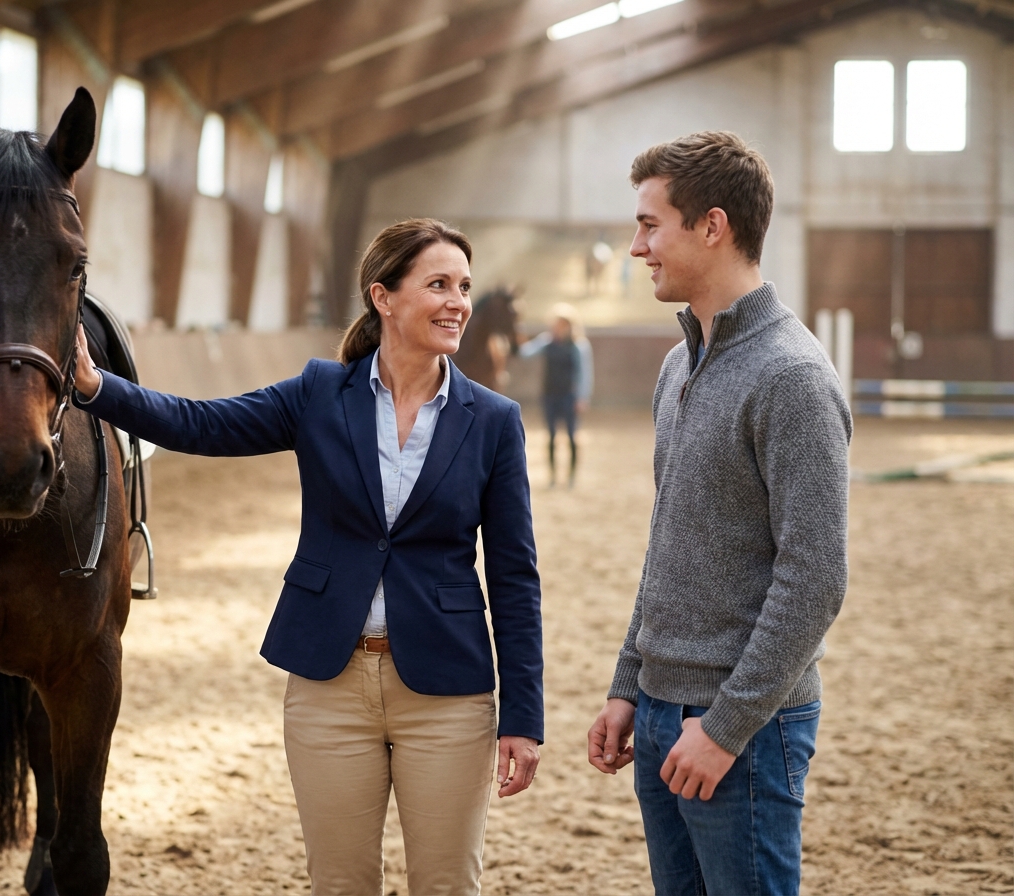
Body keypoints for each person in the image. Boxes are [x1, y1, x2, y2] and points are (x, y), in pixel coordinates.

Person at [73, 218, 543, 896]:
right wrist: (98, 390)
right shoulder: (321, 393)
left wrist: (524, 718)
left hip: (447, 692)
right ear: (383, 298)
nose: (457, 303)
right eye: (437, 284)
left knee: (446, 885)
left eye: (463, 287)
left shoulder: (493, 419)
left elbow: (514, 577)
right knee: (340, 883)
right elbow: (203, 424)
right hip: (331, 686)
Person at [586, 132, 851, 895]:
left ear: (712, 226)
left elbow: (816, 579)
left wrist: (726, 728)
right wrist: (629, 683)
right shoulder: (680, 364)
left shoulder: (792, 377)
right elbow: (670, 539)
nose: (638, 247)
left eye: (649, 225)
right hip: (665, 714)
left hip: (744, 730)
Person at [519, 303, 593, 487]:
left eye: (560, 324)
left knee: (571, 435)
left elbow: (584, 373)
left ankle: (571, 477)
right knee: (551, 436)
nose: (556, 328)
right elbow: (525, 353)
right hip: (549, 395)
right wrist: (517, 336)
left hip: (569, 396)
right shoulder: (546, 341)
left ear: (568, 325)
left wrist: (582, 398)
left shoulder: (578, 346)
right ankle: (552, 476)